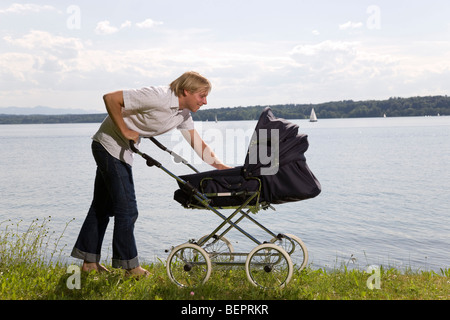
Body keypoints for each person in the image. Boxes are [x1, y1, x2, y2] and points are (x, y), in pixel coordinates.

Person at [71, 71, 231, 276]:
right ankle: (130, 267)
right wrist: (125, 131)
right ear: (186, 91)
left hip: (121, 152)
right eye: (202, 96)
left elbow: (198, 144)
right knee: (127, 209)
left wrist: (223, 168)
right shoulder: (158, 96)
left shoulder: (182, 114)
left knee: (102, 207)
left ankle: (89, 264)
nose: (205, 101)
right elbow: (110, 98)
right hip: (108, 146)